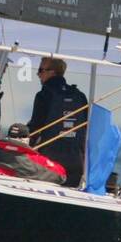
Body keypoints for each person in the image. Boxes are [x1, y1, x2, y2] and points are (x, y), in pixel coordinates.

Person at [28, 57, 89, 187]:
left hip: (50, 162)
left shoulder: (44, 95)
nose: (38, 74)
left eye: (41, 70)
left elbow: (35, 128)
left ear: (53, 72)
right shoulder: (80, 96)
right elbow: (88, 127)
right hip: (77, 161)